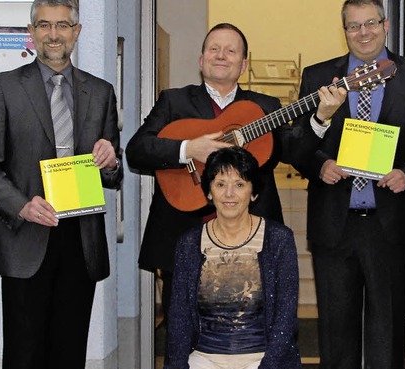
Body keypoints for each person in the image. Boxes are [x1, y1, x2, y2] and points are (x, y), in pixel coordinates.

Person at [125, 23, 345, 328]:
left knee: (252, 331)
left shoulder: (265, 107)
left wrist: (320, 117)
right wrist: (189, 149)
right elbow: (137, 150)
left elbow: (295, 151)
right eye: (213, 49)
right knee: (184, 332)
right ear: (201, 60)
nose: (221, 55)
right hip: (185, 232)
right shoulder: (173, 101)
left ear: (243, 64)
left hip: (251, 238)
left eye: (231, 50)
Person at [291, 1, 405, 369]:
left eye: (370, 24)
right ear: (343, 30)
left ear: (386, 25)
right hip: (334, 225)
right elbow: (296, 147)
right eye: (353, 26)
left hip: (388, 226)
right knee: (335, 334)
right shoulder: (319, 77)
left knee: (387, 334)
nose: (363, 33)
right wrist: (319, 164)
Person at [0, 0, 122, 369]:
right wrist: (21, 204)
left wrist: (110, 161)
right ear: (31, 32)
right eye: (44, 25)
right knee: (24, 359)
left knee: (68, 356)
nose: (54, 34)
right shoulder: (3, 88)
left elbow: (113, 171)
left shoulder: (101, 92)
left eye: (63, 25)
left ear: (77, 32)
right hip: (25, 238)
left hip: (80, 240)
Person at [151, 146, 302, 369]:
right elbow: (178, 312)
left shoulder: (278, 239)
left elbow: (286, 315)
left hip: (263, 359)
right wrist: (176, 366)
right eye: (220, 184)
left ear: (253, 192)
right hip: (207, 359)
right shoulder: (190, 243)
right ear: (209, 191)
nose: (229, 194)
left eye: (240, 185)